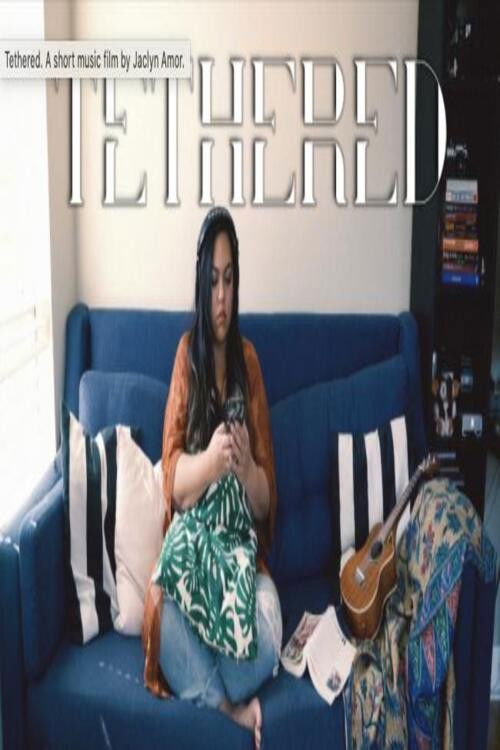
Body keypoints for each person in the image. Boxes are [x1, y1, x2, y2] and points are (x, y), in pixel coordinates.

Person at [141, 207, 282, 750]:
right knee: (161, 609)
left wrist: (244, 469)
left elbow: (266, 503)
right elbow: (173, 479)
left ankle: (212, 691)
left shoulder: (250, 361)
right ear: (200, 285)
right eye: (213, 282)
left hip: (242, 563)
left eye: (230, 280)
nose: (221, 297)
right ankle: (229, 708)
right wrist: (212, 460)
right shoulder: (187, 356)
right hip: (197, 562)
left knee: (265, 639)